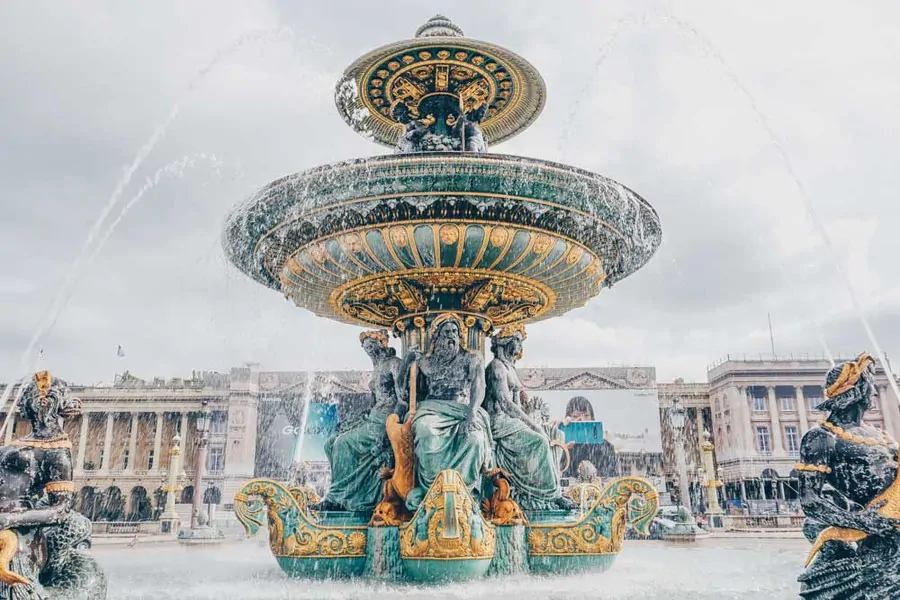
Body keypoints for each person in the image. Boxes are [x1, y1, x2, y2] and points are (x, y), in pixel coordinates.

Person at [797, 353, 900, 598]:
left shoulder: (879, 435)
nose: (874, 392)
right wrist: (864, 522)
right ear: (856, 391)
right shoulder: (821, 437)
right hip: (881, 534)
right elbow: (810, 501)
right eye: (870, 386)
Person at [0, 371, 106, 598]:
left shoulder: (58, 451)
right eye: (35, 396)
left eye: (47, 397)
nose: (41, 400)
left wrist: (10, 519)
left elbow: (61, 510)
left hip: (17, 531)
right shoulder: (21, 441)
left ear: (57, 404)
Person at [401, 313, 492, 509]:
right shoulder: (425, 362)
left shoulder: (472, 357)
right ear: (437, 337)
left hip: (463, 408)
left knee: (475, 438)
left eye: (455, 332)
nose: (451, 336)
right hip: (432, 409)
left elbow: (479, 385)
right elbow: (404, 392)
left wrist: (472, 412)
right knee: (425, 431)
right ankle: (432, 491)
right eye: (446, 332)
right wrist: (407, 362)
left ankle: (465, 492)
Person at [311, 331, 407, 512]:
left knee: (343, 443)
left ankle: (337, 498)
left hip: (386, 420)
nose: (370, 350)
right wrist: (355, 419)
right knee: (330, 443)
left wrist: (393, 425)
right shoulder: (377, 367)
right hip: (373, 417)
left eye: (373, 345)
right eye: (366, 347)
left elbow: (403, 398)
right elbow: (374, 402)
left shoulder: (394, 363)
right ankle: (347, 493)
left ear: (383, 344)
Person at [484, 325, 575, 510]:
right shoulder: (496, 367)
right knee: (541, 440)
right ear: (505, 342)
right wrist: (533, 426)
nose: (519, 344)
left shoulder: (509, 367)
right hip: (498, 422)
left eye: (520, 340)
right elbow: (505, 403)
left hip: (510, 420)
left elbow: (516, 405)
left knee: (556, 435)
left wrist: (534, 422)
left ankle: (552, 482)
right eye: (516, 339)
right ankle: (552, 495)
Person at [556, 396, 617, 478]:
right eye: (575, 416)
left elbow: (611, 478)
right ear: (567, 420)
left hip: (598, 489)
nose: (581, 419)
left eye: (586, 415)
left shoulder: (606, 447)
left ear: (593, 419)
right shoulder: (561, 446)